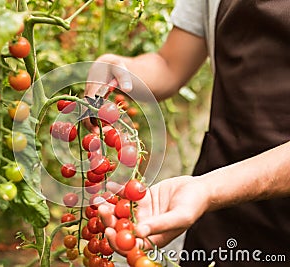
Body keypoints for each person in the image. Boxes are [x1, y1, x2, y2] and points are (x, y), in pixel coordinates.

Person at [85, 0, 290, 266]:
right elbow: (170, 64)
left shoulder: (208, 190)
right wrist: (117, 69)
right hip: (221, 202)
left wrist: (208, 189)